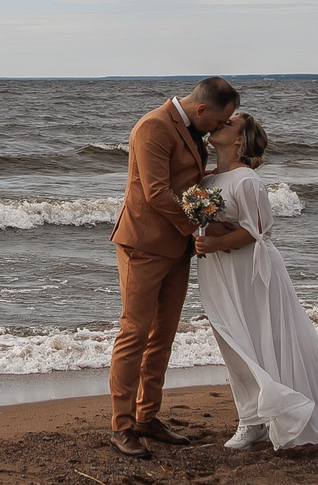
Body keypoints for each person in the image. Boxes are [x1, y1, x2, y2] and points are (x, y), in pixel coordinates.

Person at [193, 111, 318, 458]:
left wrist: (217, 241)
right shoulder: (208, 181)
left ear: (239, 140)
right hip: (219, 274)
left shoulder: (246, 181)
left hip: (253, 274)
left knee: (284, 344)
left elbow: (257, 232)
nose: (219, 125)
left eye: (228, 124)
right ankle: (252, 419)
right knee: (236, 347)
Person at [106, 77, 247, 457]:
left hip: (177, 247)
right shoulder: (153, 126)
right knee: (134, 332)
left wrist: (213, 216)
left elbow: (188, 184)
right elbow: (156, 193)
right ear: (202, 110)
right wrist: (202, 224)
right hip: (143, 245)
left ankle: (146, 417)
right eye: (220, 120)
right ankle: (121, 427)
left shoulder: (192, 129)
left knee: (163, 336)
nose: (220, 127)